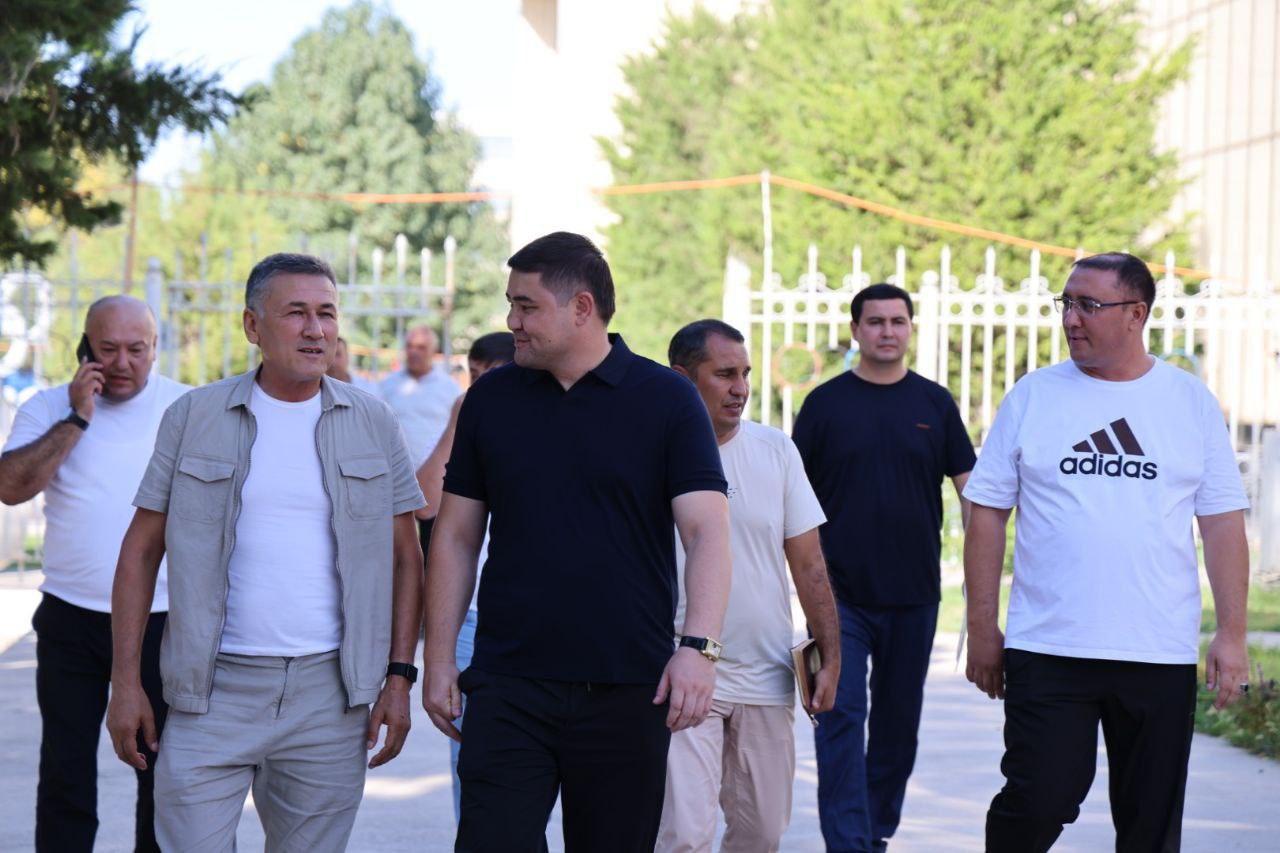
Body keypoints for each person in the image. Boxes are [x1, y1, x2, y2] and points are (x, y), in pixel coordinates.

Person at [105, 253, 426, 851]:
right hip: (209, 691)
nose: (316, 330)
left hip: (331, 698)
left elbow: (407, 558)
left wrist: (399, 678)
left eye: (327, 313)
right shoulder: (194, 416)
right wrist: (125, 680)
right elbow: (140, 551)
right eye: (296, 313)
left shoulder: (374, 422)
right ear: (252, 326)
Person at [423, 231, 732, 851]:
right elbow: (455, 536)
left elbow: (707, 532)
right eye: (511, 305)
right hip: (508, 683)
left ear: (582, 308)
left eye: (526, 306)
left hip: (629, 688)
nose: (512, 321)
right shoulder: (490, 399)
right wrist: (438, 659)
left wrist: (699, 649)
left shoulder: (667, 399)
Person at [963, 252, 1251, 852]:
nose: (1071, 318)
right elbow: (987, 512)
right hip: (1049, 645)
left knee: (1150, 825)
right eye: (1066, 303)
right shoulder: (1033, 396)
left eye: (1088, 305)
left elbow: (1222, 523)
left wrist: (1232, 634)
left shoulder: (1189, 401)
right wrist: (981, 628)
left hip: (1156, 649)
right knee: (1038, 799)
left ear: (1136, 314)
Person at [791, 283, 975, 853]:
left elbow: (972, 492)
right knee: (840, 717)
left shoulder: (935, 404)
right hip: (837, 597)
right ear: (856, 330)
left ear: (910, 328)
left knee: (897, 729)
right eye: (875, 322)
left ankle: (874, 831)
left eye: (898, 321)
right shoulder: (824, 404)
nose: (887, 331)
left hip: (915, 595)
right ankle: (849, 842)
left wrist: (985, 565)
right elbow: (792, 498)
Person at [0, 296, 188, 852]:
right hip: (70, 617)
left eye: (136, 350)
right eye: (108, 349)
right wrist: (78, 417)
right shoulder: (47, 407)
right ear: (85, 348)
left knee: (161, 770)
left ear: (155, 348)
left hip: (162, 618)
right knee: (65, 769)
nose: (122, 363)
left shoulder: (185, 408)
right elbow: (10, 487)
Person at [657, 319, 841, 853]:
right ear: (682, 378)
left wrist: (831, 655)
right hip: (683, 672)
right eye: (725, 375)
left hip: (767, 676)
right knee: (684, 837)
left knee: (761, 834)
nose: (741, 388)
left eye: (746, 374)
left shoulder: (776, 449)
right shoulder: (650, 452)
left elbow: (809, 564)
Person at [414, 330, 516, 821]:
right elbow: (424, 503)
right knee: (472, 759)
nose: (480, 386)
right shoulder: (468, 422)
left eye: (489, 375)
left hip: (529, 614)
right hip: (473, 618)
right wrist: (460, 419)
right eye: (473, 376)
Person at [379, 325, 461, 557]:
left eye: (421, 347)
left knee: (432, 551)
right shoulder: (386, 385)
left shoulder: (449, 388)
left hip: (436, 485)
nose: (414, 352)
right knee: (394, 554)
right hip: (393, 482)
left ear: (433, 351)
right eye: (410, 346)